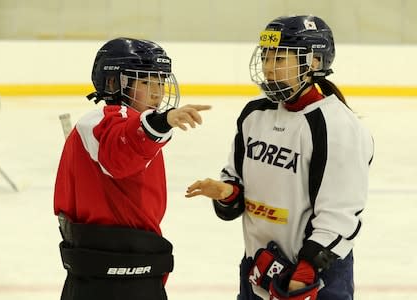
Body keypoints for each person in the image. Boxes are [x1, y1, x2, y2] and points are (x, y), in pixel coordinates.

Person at [185, 15, 374, 300]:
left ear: (313, 62)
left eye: (280, 58)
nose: (268, 68)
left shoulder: (337, 126)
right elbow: (236, 180)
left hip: (312, 276)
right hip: (257, 268)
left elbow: (341, 213)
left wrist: (307, 270)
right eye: (265, 57)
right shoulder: (255, 114)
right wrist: (226, 192)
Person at [53, 37, 211, 300]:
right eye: (146, 81)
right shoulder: (105, 121)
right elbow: (120, 154)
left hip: (106, 271)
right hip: (116, 279)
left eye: (160, 81)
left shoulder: (111, 123)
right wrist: (162, 122)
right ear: (113, 82)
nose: (157, 92)